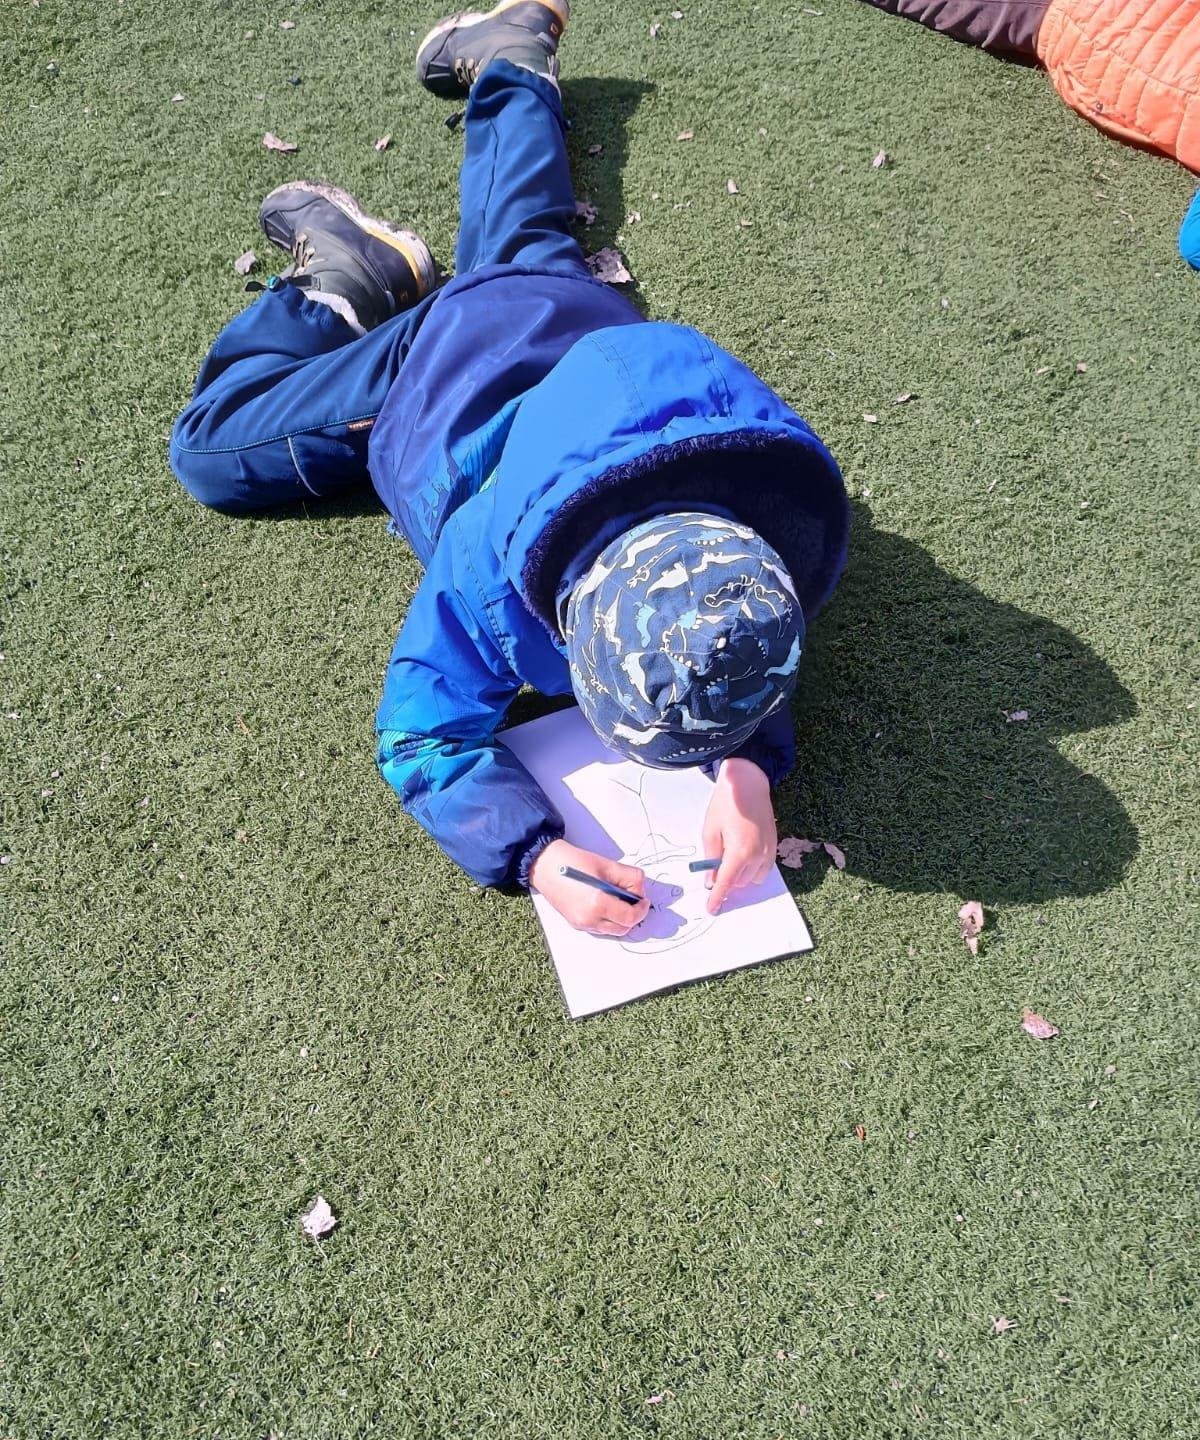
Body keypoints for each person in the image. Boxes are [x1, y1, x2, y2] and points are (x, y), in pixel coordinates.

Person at [170, 0, 850, 937]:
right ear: (564, 622)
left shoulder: (763, 515)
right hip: (432, 369)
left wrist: (744, 768)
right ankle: (344, 288)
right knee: (208, 448)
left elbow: (737, 635)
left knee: (526, 227)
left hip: (561, 310)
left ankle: (514, 56)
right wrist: (532, 853)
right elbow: (422, 730)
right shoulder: (489, 571)